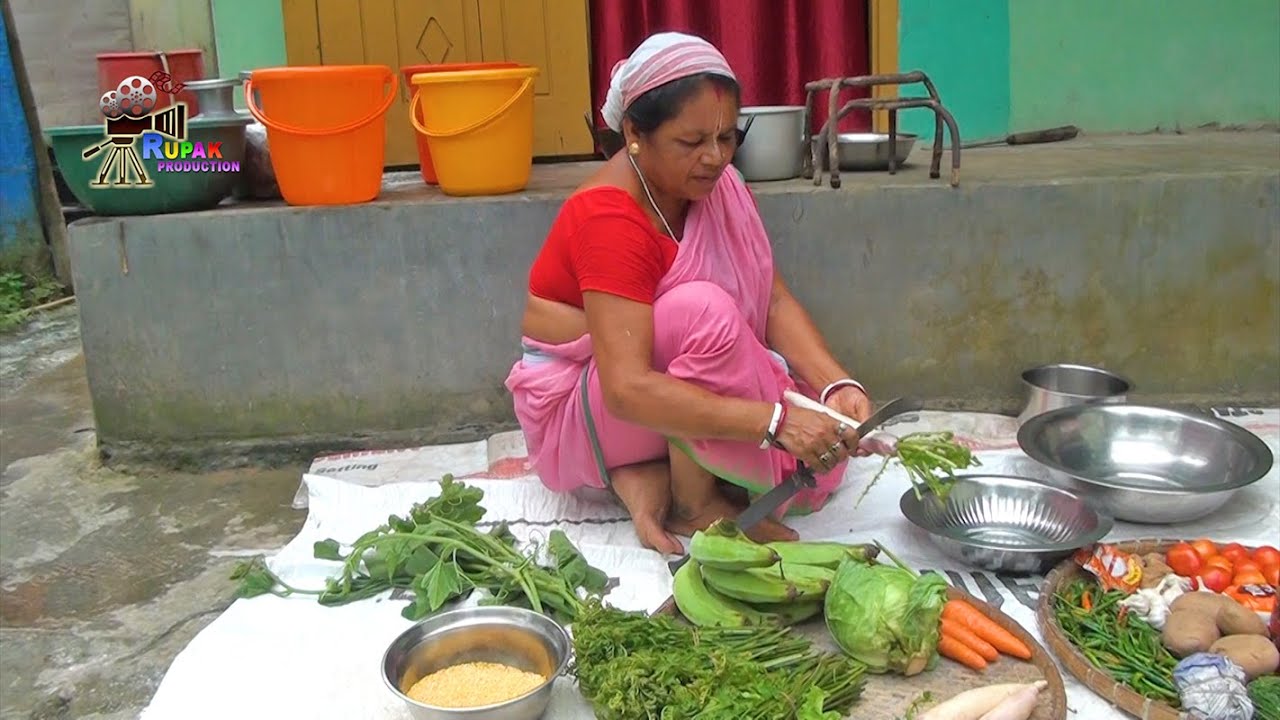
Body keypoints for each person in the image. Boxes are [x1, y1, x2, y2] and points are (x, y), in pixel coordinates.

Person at [505, 32, 875, 555]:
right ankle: (693, 503)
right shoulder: (609, 218)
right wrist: (774, 422)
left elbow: (770, 300)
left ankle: (649, 473)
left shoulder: (717, 188)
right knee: (704, 314)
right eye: (691, 141)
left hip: (639, 392)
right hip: (578, 413)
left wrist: (836, 383)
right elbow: (627, 389)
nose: (715, 158)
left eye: (728, 139)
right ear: (635, 132)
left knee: (819, 438)